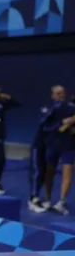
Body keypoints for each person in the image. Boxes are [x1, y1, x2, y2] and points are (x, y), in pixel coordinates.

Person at [37, 85, 75, 215]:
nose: (60, 95)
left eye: (62, 93)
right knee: (49, 172)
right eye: (57, 93)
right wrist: (62, 124)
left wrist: (71, 124)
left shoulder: (71, 108)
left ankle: (62, 202)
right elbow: (45, 126)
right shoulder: (48, 109)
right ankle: (47, 199)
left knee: (68, 171)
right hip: (52, 145)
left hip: (68, 146)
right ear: (52, 95)